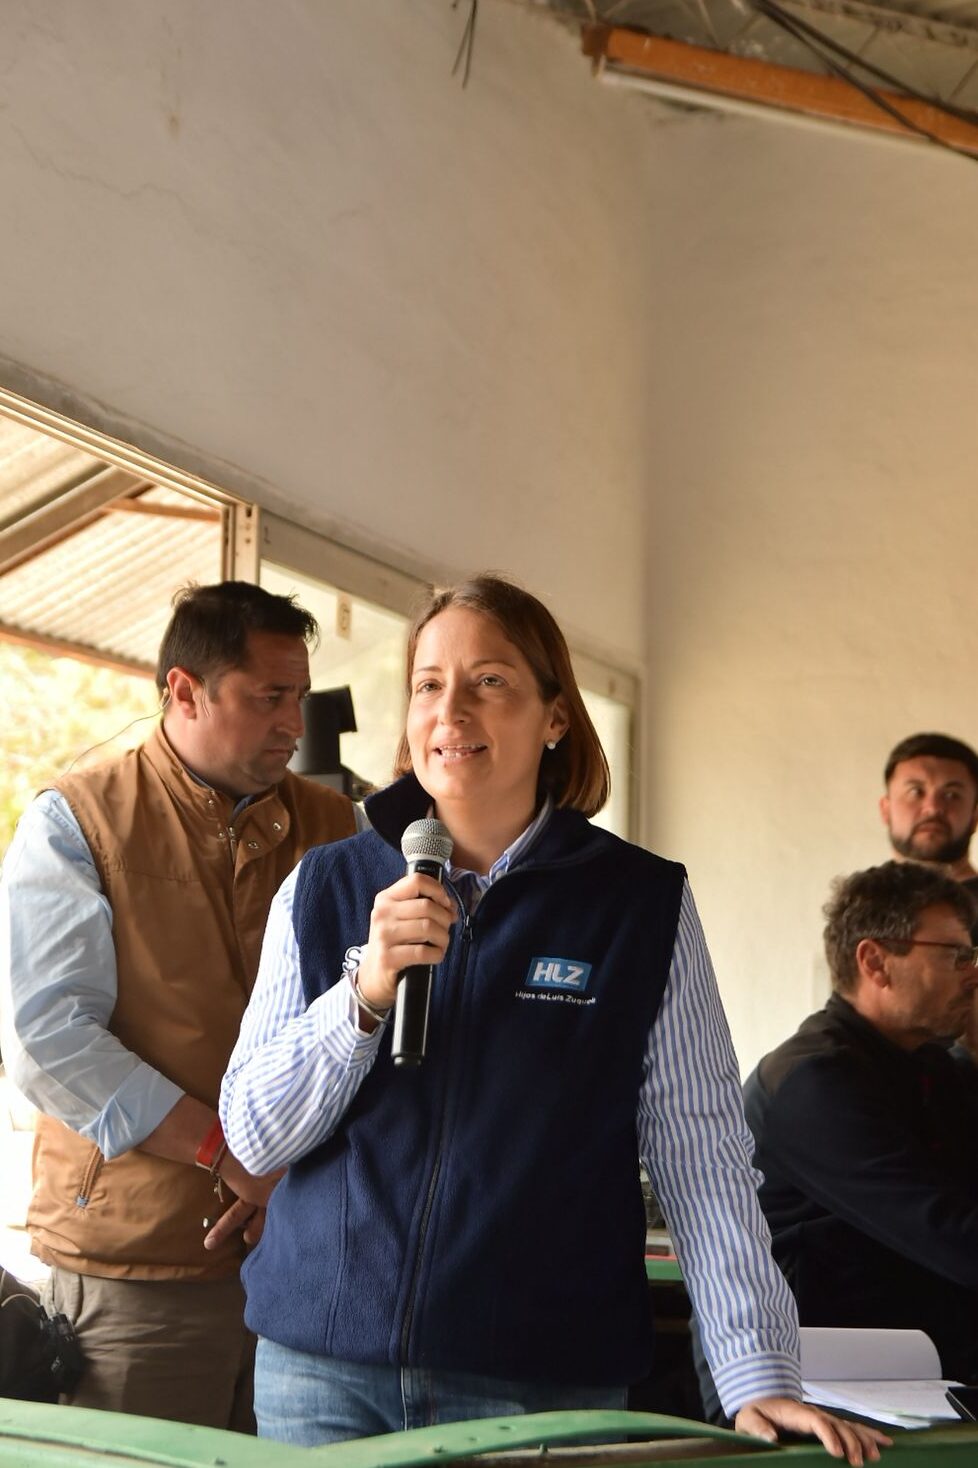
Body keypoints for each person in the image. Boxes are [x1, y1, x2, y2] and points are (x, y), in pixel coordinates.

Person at [220, 573, 887, 1463]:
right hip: (322, 1375)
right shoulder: (324, 886)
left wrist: (756, 1374)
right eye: (428, 684)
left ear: (556, 717)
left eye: (489, 681)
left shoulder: (638, 903)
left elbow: (701, 1152)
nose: (450, 710)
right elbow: (255, 1136)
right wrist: (364, 994)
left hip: (536, 1381)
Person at [0, 580, 357, 1429]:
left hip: (307, 1263)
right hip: (137, 1272)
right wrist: (224, 1150)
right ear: (184, 691)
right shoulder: (78, 822)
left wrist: (290, 1182)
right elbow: (47, 1039)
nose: (293, 723)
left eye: (300, 697)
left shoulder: (342, 828)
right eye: (268, 697)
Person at [744, 861, 978, 1384]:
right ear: (875, 962)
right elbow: (951, 1235)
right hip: (826, 1382)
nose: (972, 973)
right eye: (956, 955)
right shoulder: (813, 1082)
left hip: (917, 1362)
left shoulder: (932, 1065)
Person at [880, 733, 978, 916]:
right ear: (885, 809)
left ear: (975, 815)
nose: (932, 808)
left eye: (951, 795)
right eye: (916, 792)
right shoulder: (857, 908)